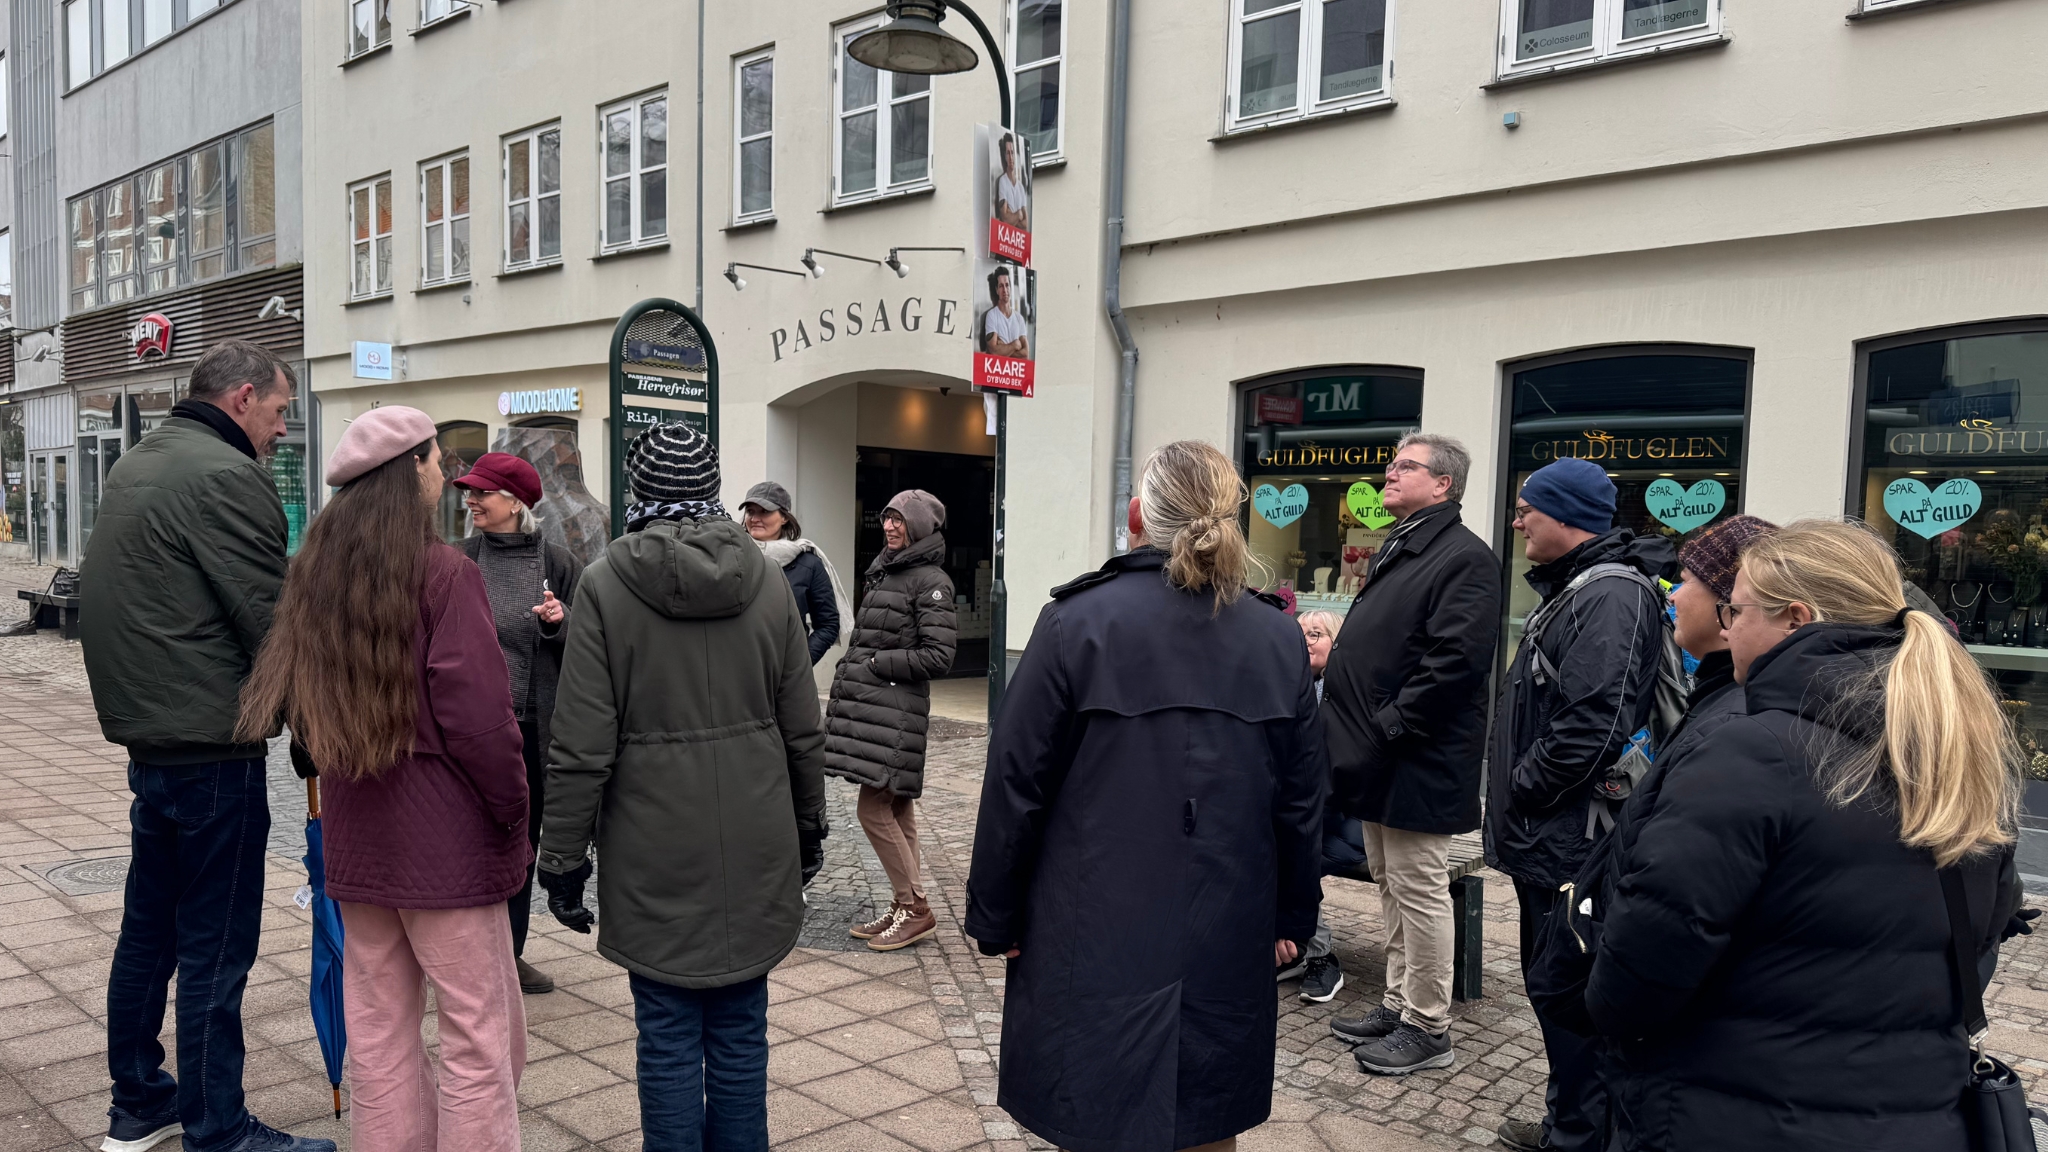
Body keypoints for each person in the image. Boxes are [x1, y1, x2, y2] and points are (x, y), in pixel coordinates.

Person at [1588, 520, 2025, 1151]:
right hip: (1917, 1113)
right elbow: (1981, 940)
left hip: (1738, 1110)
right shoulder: (1960, 747)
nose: (1727, 628)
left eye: (1734, 610)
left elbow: (1643, 969)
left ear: (1796, 617)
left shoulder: (1750, 753)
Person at [966, 440, 1325, 1152]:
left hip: (1093, 917)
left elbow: (1014, 784)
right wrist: (1293, 912)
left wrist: (996, 914)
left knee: (1099, 1106)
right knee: (1203, 1116)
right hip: (1227, 916)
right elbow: (1301, 798)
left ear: (1137, 516)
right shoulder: (1277, 636)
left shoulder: (1076, 622)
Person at [235, 406, 528, 1152]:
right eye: (436, 460)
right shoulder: (445, 574)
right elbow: (481, 723)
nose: (442, 473)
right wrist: (514, 814)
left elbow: (298, 706)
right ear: (411, 472)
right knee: (477, 1037)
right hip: (448, 847)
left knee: (379, 1031)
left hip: (358, 839)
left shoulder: (316, 574)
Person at [535, 422, 827, 1150]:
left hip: (651, 843)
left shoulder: (604, 584)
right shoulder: (765, 576)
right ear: (712, 488)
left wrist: (562, 858)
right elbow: (802, 724)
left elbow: (579, 746)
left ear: (641, 489)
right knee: (741, 1032)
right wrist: (810, 825)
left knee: (665, 1036)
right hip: (755, 835)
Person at [77, 341, 335, 1152]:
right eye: (280, 410)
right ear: (242, 399)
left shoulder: (140, 460)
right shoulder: (228, 476)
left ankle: (139, 1101)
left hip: (152, 738)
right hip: (210, 744)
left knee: (149, 930)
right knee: (216, 945)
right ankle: (217, 1129)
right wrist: (314, 729)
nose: (283, 428)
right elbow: (270, 621)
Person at [1486, 457, 1675, 1152]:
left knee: (1571, 999)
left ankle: (1578, 1137)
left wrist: (1525, 791)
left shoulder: (1610, 596)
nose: (1517, 521)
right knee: (1555, 992)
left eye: (1526, 508)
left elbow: (1592, 726)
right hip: (1553, 836)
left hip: (1572, 840)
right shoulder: (1581, 587)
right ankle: (1568, 1123)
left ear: (1564, 515)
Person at [1318, 433, 1504, 1075]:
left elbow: (1455, 662)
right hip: (1380, 754)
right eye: (1392, 463)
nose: (1388, 474)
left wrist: (1388, 726)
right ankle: (1399, 1004)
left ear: (1443, 484)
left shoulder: (1463, 557)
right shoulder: (1405, 544)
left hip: (1416, 756)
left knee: (1420, 889)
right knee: (1391, 884)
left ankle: (1429, 1025)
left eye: (1405, 467)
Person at [452, 451, 584, 996]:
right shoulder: (457, 559)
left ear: (516, 502)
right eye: (470, 491)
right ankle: (459, 955)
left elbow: (588, 646)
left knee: (520, 844)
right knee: (463, 840)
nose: (471, 500)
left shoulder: (558, 563)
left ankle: (509, 954)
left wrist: (560, 623)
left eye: (483, 492)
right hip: (465, 729)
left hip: (530, 731)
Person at [824, 490, 957, 951]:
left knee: (872, 808)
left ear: (920, 527)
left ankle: (915, 908)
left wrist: (879, 664)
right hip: (880, 712)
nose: (890, 526)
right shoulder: (887, 570)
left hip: (894, 715)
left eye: (900, 520)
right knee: (897, 809)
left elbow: (939, 654)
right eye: (887, 518)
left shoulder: (930, 580)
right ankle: (906, 906)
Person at [1275, 608, 1358, 1004]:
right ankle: (1293, 948)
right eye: (1301, 633)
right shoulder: (1293, 688)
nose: (1306, 641)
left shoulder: (1342, 698)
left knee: (1289, 854)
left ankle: (1322, 957)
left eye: (1316, 633)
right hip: (1315, 818)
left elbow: (1330, 780)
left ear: (1336, 642)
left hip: (1348, 827)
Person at [740, 480, 848, 664]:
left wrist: (799, 665)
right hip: (736, 669)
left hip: (783, 674)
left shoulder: (809, 564)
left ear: (784, 518)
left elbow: (828, 624)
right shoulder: (732, 554)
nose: (755, 518)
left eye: (764, 511)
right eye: (750, 511)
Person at [980, 265, 1029, 359]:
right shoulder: (991, 315)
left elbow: (1026, 354)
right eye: (1001, 286)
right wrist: (1015, 345)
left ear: (1010, 287)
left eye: (1007, 285)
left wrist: (1003, 347)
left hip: (1014, 371)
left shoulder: (1019, 318)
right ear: (996, 290)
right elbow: (994, 351)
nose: (1005, 290)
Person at [995, 133, 1029, 229]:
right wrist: (1018, 214)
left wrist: (1011, 215)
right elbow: (1005, 218)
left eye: (1012, 152)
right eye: (1008, 153)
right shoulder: (1003, 181)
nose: (1011, 157)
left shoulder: (1021, 187)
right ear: (1005, 156)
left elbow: (1026, 224)